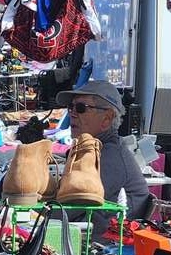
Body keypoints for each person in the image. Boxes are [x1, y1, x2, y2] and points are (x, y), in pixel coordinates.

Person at [55, 80, 152, 221]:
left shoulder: (110, 157)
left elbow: (66, 210)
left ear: (107, 118)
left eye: (81, 108)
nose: (72, 114)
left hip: (104, 235)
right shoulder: (93, 152)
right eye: (71, 107)